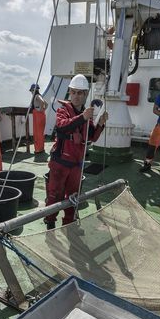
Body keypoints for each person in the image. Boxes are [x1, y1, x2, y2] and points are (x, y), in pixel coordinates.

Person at [44, 74, 108, 229]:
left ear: (86, 94)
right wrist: (82, 118)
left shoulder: (88, 115)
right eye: (73, 92)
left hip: (77, 165)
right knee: (54, 195)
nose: (76, 96)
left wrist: (100, 123)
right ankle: (50, 222)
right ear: (69, 92)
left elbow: (92, 137)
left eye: (80, 93)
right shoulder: (63, 110)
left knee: (73, 197)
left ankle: (69, 224)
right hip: (60, 163)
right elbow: (62, 125)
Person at [30, 83, 48, 154]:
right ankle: (41, 148)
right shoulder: (39, 96)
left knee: (37, 133)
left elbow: (43, 102)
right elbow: (46, 104)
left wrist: (39, 110)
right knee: (40, 133)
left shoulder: (37, 96)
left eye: (31, 90)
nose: (31, 92)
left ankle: (38, 149)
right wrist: (42, 110)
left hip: (38, 116)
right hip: (41, 115)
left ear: (34, 90)